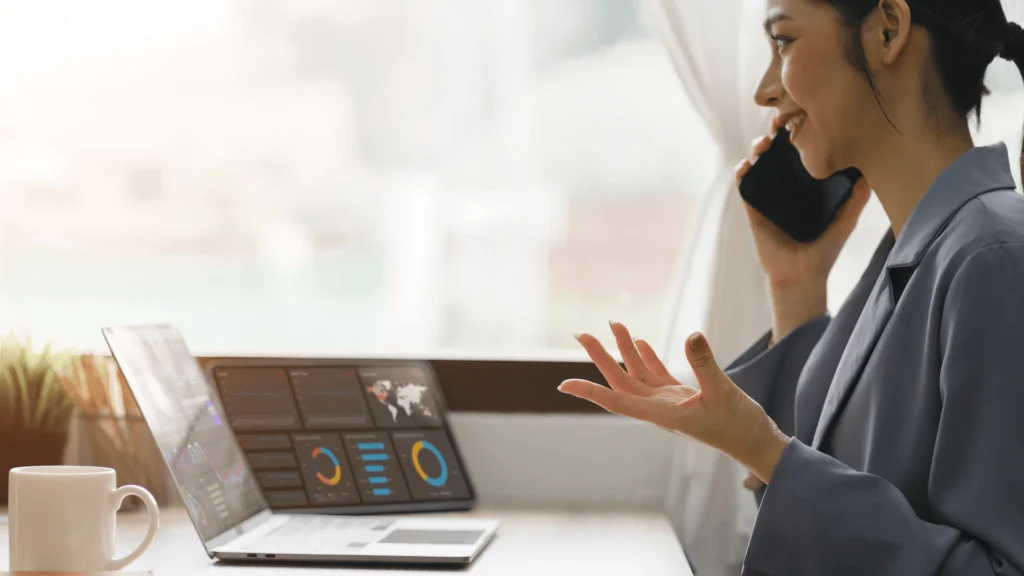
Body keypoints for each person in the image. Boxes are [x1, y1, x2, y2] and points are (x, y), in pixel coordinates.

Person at [558, 0, 1024, 573]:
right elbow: (833, 498)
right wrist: (796, 286)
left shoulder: (993, 260)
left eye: (784, 42)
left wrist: (767, 454)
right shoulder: (914, 259)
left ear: (889, 30)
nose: (764, 92)